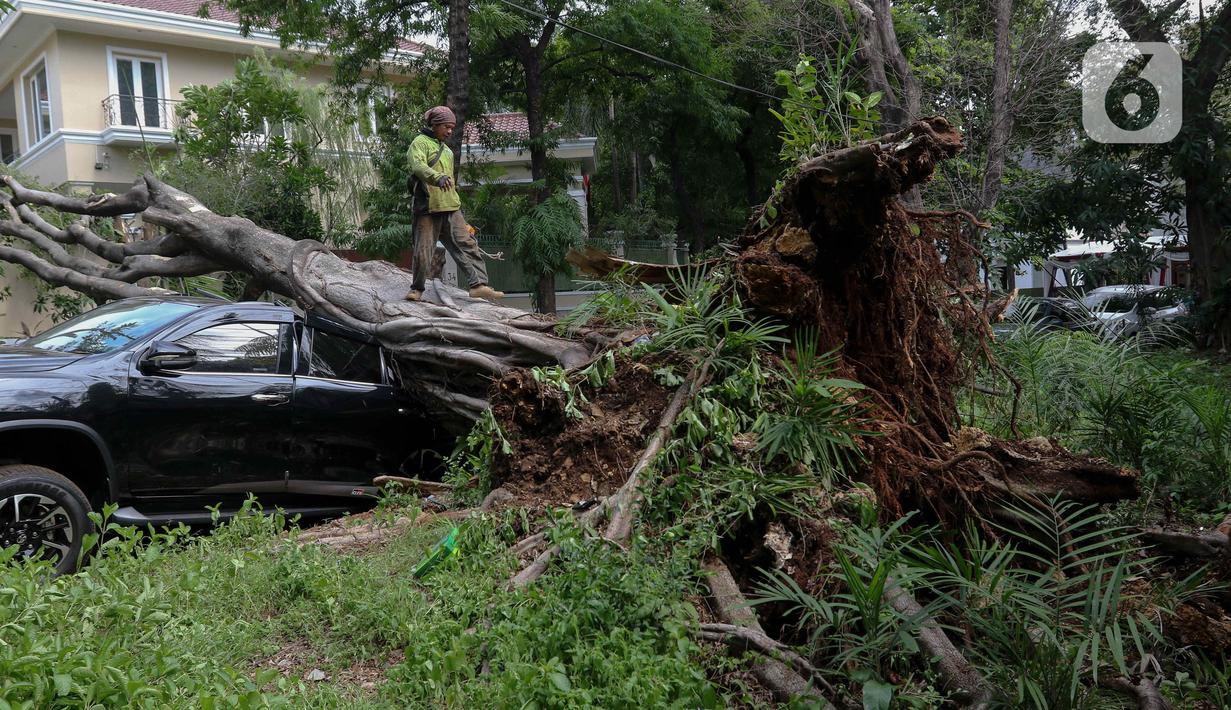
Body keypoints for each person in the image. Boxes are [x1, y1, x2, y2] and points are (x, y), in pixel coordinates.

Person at [406, 106, 504, 302]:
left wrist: (459, 210)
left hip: (451, 208)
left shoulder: (449, 152)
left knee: (467, 245)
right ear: (434, 125)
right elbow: (418, 166)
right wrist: (437, 178)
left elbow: (450, 182)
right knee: (423, 251)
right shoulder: (419, 143)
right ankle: (417, 288)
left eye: (452, 127)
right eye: (446, 126)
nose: (450, 131)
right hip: (427, 208)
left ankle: (478, 285)